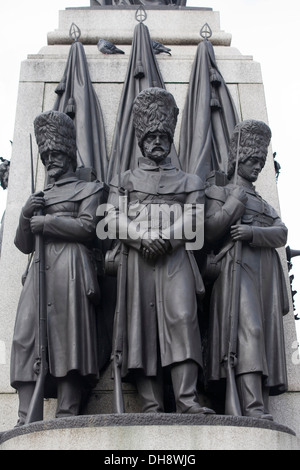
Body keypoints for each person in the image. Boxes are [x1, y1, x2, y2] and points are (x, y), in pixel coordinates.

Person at [105, 87, 215, 414]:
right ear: (141, 141)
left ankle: (187, 400)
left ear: (170, 140)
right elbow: (110, 217)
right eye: (150, 136)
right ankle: (151, 405)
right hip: (137, 260)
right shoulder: (123, 180)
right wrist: (141, 237)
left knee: (182, 319)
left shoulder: (190, 181)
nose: (156, 141)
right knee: (143, 327)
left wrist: (164, 238)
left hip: (176, 259)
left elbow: (195, 218)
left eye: (162, 136)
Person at [10, 110, 105, 425]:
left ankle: (67, 411)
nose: (50, 159)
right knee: (26, 336)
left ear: (68, 154)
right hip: (39, 269)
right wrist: (26, 213)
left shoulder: (89, 189)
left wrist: (47, 221)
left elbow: (88, 227)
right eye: (45, 154)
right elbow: (23, 243)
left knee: (68, 339)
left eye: (56, 153)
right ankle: (27, 416)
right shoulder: (39, 196)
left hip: (71, 267)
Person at [204, 120, 289, 420]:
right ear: (238, 159)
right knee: (249, 332)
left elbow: (282, 233)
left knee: (262, 336)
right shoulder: (220, 192)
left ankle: (259, 404)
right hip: (235, 269)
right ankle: (250, 406)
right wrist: (234, 204)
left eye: (261, 162)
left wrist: (252, 234)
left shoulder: (265, 203)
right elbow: (210, 231)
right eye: (252, 161)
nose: (257, 167)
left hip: (264, 273)